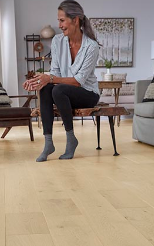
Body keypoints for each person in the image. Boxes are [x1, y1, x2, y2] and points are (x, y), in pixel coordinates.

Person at [23, 0, 100, 162]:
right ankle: (48, 143)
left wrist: (50, 78)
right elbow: (55, 73)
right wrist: (38, 81)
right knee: (46, 88)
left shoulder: (91, 47)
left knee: (58, 89)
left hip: (88, 93)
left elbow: (79, 81)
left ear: (75, 20)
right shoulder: (58, 41)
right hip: (65, 92)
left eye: (62, 20)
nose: (59, 25)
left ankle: (71, 139)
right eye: (59, 20)